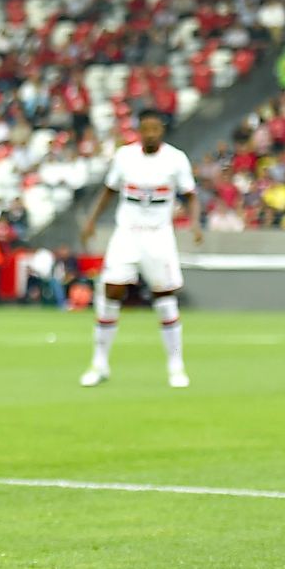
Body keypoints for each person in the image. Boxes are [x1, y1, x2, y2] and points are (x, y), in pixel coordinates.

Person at [78, 109, 203, 388]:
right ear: (138, 130)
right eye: (145, 129)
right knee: (111, 290)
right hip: (127, 234)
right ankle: (99, 363)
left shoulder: (175, 159)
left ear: (162, 130)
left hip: (158, 236)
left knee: (164, 296)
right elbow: (110, 190)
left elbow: (191, 195)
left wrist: (194, 224)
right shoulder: (125, 156)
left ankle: (176, 366)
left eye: (155, 129)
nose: (150, 134)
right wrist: (92, 221)